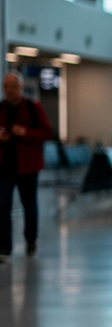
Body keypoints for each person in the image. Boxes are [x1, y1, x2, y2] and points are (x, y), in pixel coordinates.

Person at [0, 72, 52, 263]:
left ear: (20, 88)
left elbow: (46, 132)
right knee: (2, 204)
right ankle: (4, 248)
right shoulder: (1, 108)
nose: (10, 90)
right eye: (6, 86)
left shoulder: (32, 107)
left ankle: (31, 240)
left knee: (29, 205)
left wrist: (25, 132)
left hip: (28, 166)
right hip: (5, 166)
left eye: (14, 86)